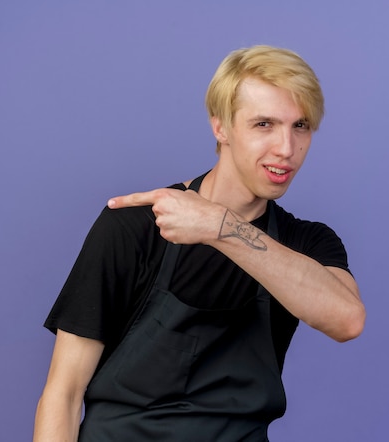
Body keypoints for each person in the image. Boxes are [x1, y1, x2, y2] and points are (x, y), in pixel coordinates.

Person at [33, 44, 366, 441]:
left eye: (301, 126)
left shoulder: (306, 242)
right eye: (264, 124)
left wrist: (220, 226)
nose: (286, 149)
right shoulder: (135, 227)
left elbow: (347, 319)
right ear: (220, 127)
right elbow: (64, 393)